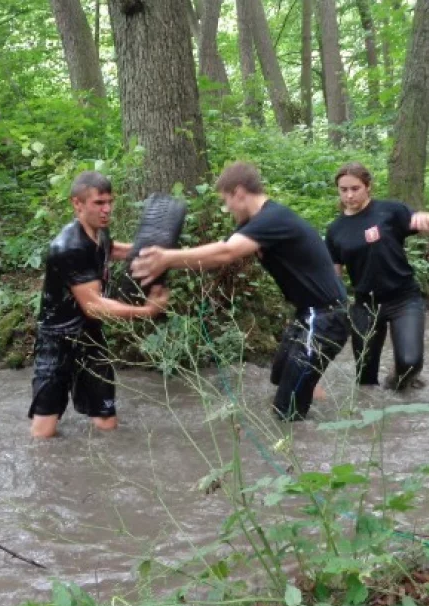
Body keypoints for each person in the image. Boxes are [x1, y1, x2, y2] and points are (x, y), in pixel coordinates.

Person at [131, 161, 349, 422]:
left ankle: (312, 438)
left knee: (286, 413)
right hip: (308, 315)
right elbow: (220, 249)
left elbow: (226, 253)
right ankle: (309, 390)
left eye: (227, 201)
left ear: (240, 192)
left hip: (325, 318)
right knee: (280, 375)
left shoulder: (272, 218)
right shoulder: (257, 223)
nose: (227, 209)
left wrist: (167, 259)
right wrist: (131, 252)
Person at [29, 171, 169, 439]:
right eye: (98, 203)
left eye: (109, 202)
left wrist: (155, 255)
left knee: (107, 423)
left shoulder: (99, 232)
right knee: (43, 435)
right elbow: (93, 305)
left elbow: (112, 249)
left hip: (91, 338)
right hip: (57, 342)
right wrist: (147, 311)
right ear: (77, 204)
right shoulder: (68, 247)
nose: (106, 210)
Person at [325, 162, 429, 390]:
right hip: (365, 306)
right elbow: (334, 276)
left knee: (410, 363)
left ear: (368, 186)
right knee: (365, 380)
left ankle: (395, 386)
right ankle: (372, 416)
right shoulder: (335, 230)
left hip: (403, 299)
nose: (349, 195)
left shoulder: (390, 211)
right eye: (344, 190)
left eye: (355, 188)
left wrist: (428, 218)